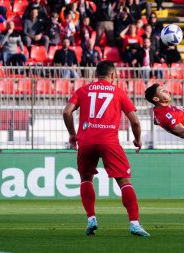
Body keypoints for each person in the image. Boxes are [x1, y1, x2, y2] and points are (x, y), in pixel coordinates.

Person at [62, 60, 150, 237]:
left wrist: (72, 134)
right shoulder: (118, 92)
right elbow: (135, 121)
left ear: (96, 75)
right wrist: (137, 139)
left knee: (86, 179)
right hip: (109, 141)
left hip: (86, 141)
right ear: (113, 75)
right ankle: (134, 223)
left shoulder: (83, 90)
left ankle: (91, 219)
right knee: (124, 182)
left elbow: (66, 112)